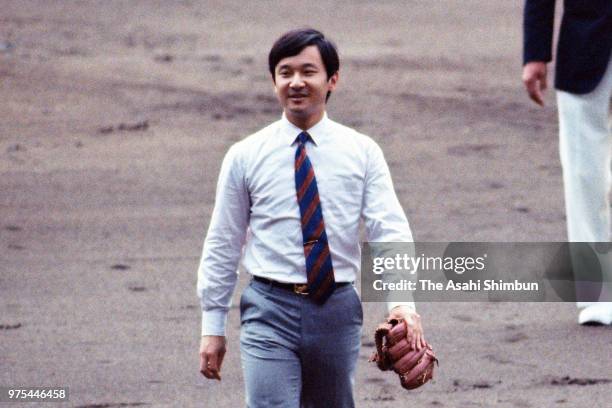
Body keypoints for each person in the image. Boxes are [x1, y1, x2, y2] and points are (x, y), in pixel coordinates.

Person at [197, 28, 426, 407]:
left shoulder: (362, 152)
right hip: (268, 308)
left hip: (336, 309)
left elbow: (389, 229)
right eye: (285, 72)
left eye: (308, 71)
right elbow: (224, 239)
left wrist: (401, 302)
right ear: (273, 82)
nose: (296, 82)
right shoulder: (245, 155)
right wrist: (212, 326)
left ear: (332, 79)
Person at [522, 0, 612, 324]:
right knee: (583, 175)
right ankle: (596, 291)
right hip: (583, 47)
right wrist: (535, 53)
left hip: (583, 46)